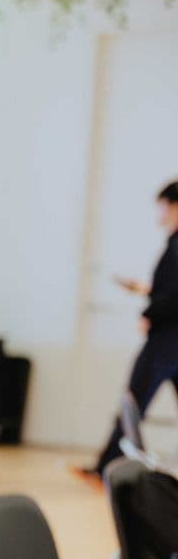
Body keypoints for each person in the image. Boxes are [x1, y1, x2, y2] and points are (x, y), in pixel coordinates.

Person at [79, 179, 178, 485]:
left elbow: (174, 296)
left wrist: (149, 313)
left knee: (133, 402)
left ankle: (108, 469)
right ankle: (109, 467)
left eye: (162, 206)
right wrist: (147, 291)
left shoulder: (176, 246)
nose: (159, 214)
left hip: (166, 340)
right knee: (135, 401)